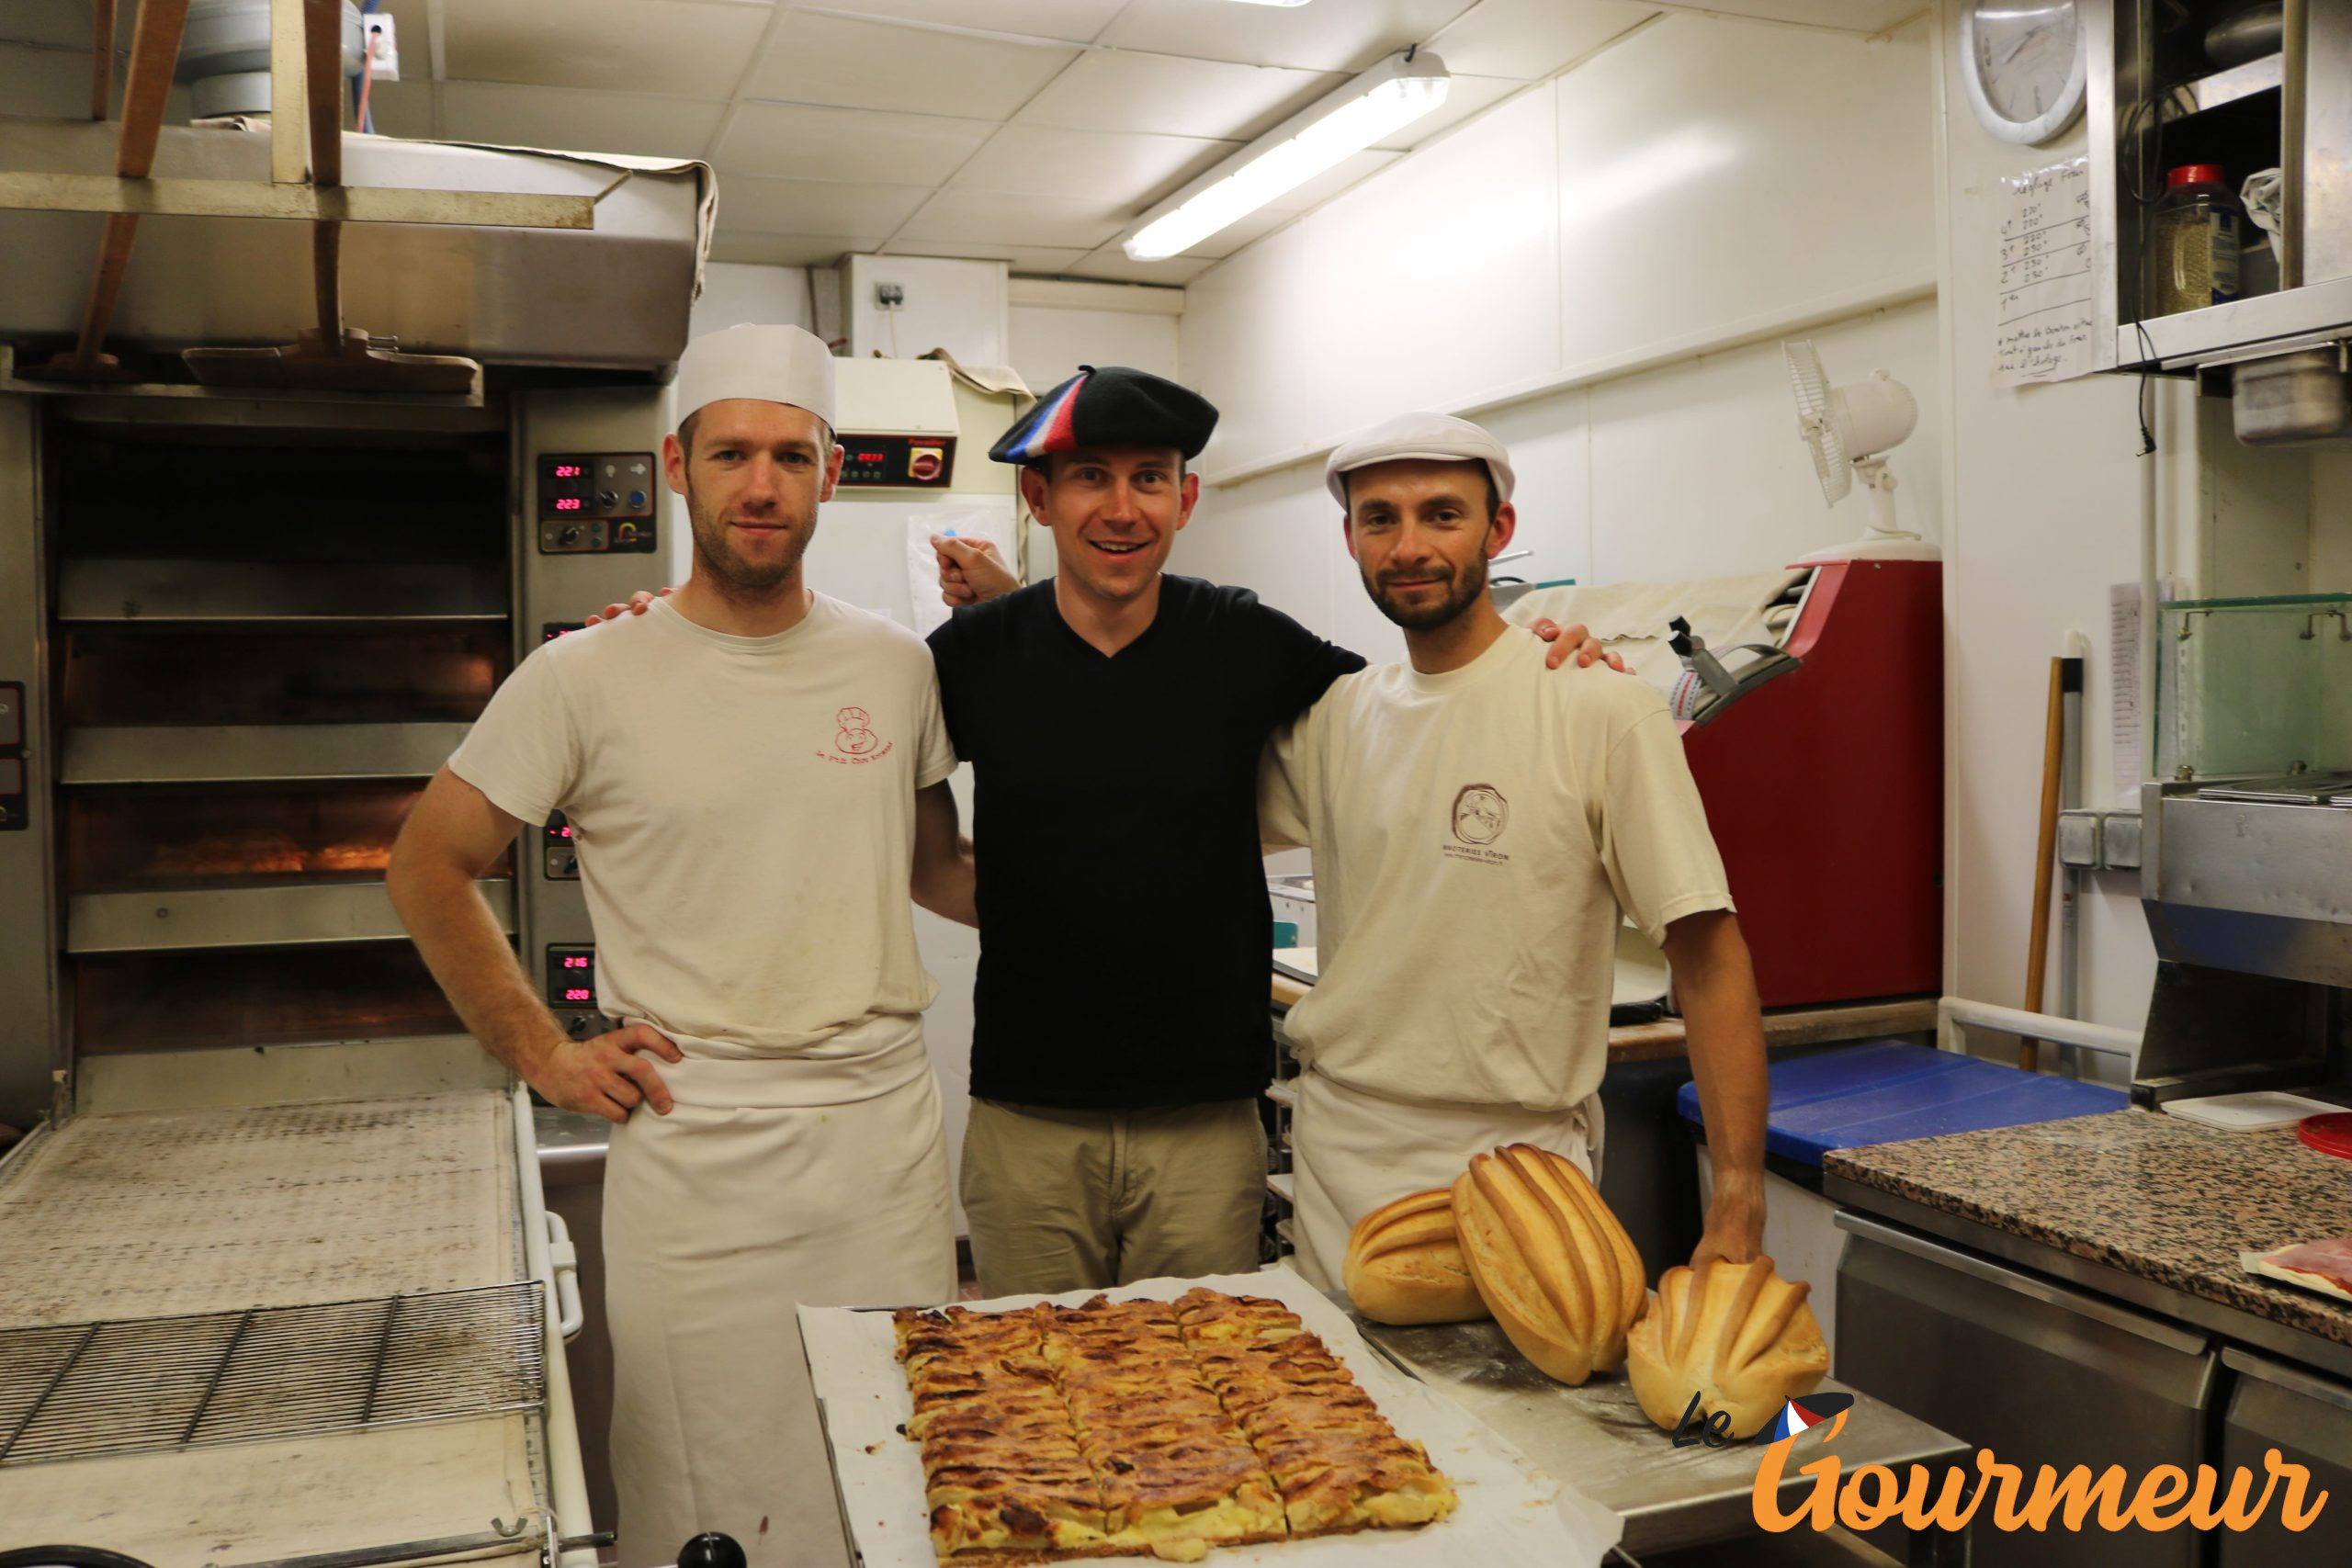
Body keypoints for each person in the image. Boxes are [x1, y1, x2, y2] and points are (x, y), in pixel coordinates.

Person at [604, 365, 1611, 1298]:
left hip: (1207, 1122)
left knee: (1207, 1397)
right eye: (1089, 478)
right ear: (1040, 502)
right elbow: (876, 799)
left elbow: (1420, 698)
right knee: (1034, 1403)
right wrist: (686, 630)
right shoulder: (971, 655)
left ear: (1187, 498)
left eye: (1149, 478)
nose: (1121, 507)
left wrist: (1537, 651)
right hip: (1024, 1118)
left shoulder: (1243, 640)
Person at [386, 323, 970, 1568]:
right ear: (676, 464)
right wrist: (546, 1051)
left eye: (792, 456)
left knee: (899, 1462)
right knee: (704, 1491)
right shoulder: (585, 674)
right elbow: (427, 862)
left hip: (882, 1146)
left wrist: (1132, 887)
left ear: (831, 471)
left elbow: (933, 869)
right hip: (695, 1147)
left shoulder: (894, 663)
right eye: (733, 454)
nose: (762, 485)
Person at [1255, 412, 1770, 1289]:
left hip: (1518, 1165)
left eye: (1442, 514)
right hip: (1341, 1151)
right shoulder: (1334, 718)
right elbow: (1171, 802)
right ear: (1351, 537)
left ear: (1499, 529)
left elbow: (1709, 957)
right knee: (1340, 1421)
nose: (1409, 544)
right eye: (1380, 518)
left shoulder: (1599, 707)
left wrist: (1737, 1199)